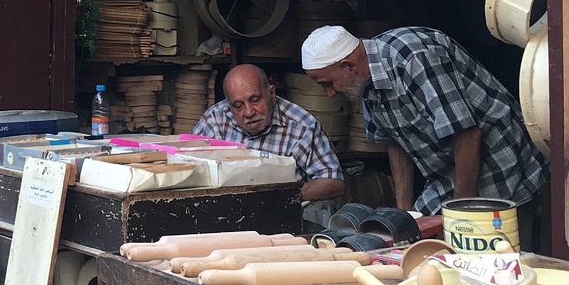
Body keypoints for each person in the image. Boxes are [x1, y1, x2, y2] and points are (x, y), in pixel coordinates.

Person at [301, 25, 548, 245]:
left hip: (498, 157)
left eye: (327, 83)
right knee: (413, 239)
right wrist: (404, 212)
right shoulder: (364, 78)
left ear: (349, 66)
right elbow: (395, 142)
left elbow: (467, 134)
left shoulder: (414, 58)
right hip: (447, 172)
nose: (330, 94)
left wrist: (459, 214)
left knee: (494, 251)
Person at [191, 64, 345, 201]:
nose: (249, 112)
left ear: (271, 95)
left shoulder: (301, 126)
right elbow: (187, 169)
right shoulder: (214, 120)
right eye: (238, 105)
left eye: (255, 99)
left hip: (283, 215)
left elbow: (333, 181)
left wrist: (284, 197)